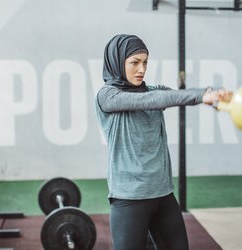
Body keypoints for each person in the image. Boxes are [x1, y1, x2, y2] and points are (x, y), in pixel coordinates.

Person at [95, 34, 232, 250]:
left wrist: (214, 94)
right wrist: (202, 95)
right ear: (117, 62)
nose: (141, 69)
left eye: (145, 62)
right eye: (134, 63)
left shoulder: (152, 90)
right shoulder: (107, 96)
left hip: (163, 195)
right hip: (129, 199)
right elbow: (153, 100)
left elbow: (177, 96)